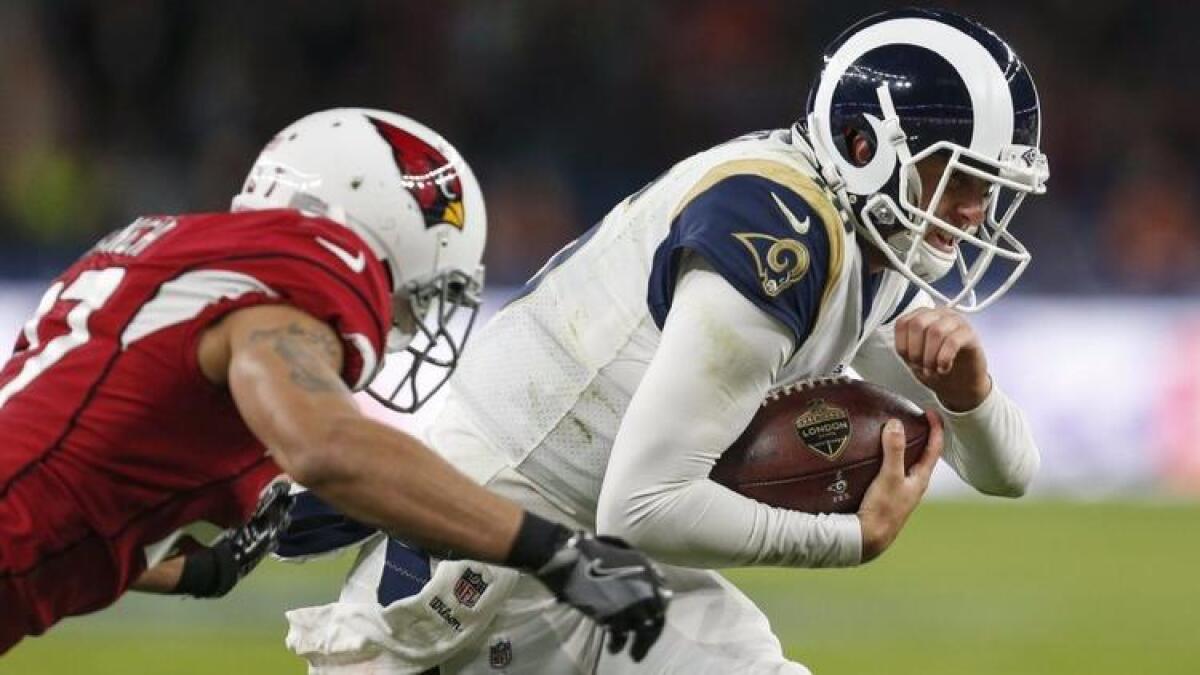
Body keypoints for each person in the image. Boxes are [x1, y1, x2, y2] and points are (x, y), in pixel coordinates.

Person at [283, 9, 1048, 674]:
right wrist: (851, 538)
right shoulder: (779, 233)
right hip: (481, 568)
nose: (977, 213)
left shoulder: (859, 238)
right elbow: (642, 507)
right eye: (961, 180)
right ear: (863, 145)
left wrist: (968, 391)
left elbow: (1011, 472)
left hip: (586, 558)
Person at [0, 108, 670, 658]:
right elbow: (327, 446)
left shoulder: (175, 254)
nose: (405, 321)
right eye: (418, 295)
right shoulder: (308, 261)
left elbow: (66, 497)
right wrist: (556, 553)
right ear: (379, 232)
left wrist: (192, 568)